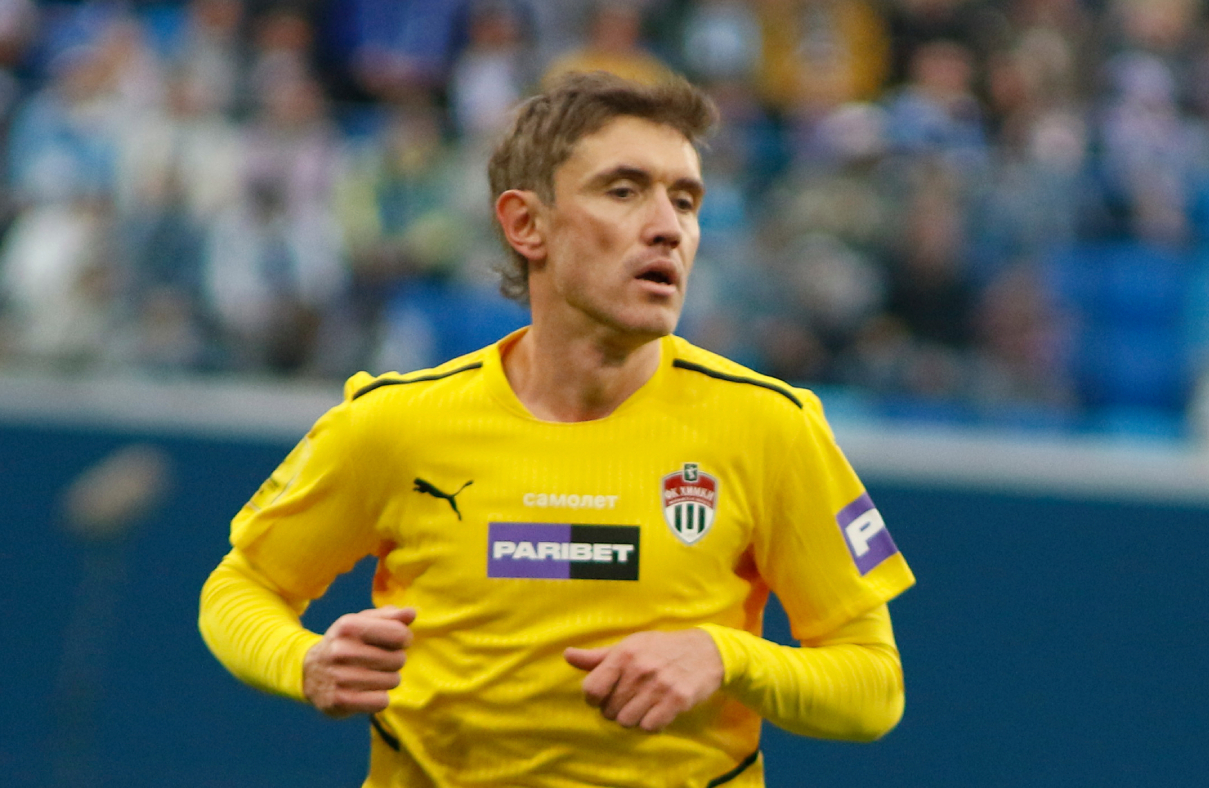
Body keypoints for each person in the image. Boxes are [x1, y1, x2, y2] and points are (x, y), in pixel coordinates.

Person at [199, 71, 915, 788]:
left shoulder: (770, 428)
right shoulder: (393, 425)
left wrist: (728, 656)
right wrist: (302, 662)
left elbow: (873, 688)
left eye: (685, 200)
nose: (668, 228)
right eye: (624, 191)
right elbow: (241, 587)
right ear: (525, 224)